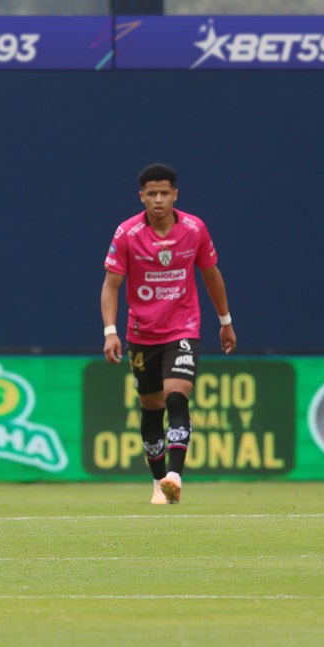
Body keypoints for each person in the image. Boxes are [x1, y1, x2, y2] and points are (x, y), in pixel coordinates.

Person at [101, 163, 236, 505]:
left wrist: (225, 321)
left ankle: (175, 475)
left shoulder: (194, 229)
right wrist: (110, 331)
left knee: (177, 395)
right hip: (142, 333)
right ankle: (159, 479)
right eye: (152, 194)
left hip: (183, 328)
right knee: (151, 408)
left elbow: (211, 275)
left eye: (165, 193)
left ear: (175, 195)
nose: (158, 200)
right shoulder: (127, 233)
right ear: (142, 197)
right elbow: (110, 286)